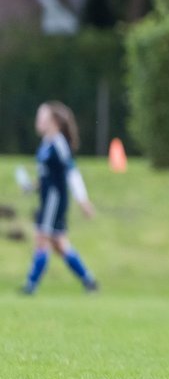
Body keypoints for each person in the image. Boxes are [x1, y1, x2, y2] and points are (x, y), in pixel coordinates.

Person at [21, 102, 99, 295]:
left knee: (42, 238)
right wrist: (32, 186)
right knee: (59, 244)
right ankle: (89, 280)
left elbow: (71, 172)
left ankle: (30, 285)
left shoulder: (58, 143)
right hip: (47, 199)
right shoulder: (46, 144)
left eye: (42, 117)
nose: (37, 121)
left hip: (54, 201)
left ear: (54, 122)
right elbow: (47, 175)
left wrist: (83, 200)